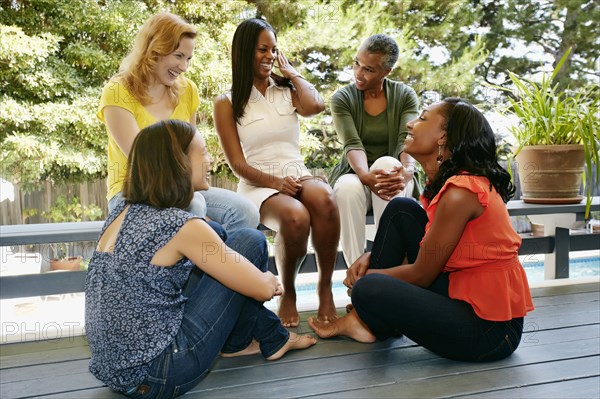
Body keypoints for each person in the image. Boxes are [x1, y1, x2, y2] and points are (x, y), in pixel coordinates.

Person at [85, 119, 316, 398]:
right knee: (251, 241)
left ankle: (265, 337)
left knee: (217, 233)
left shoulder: (121, 212)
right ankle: (247, 342)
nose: (210, 160)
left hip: (116, 371)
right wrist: (267, 278)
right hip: (161, 373)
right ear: (179, 161)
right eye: (203, 151)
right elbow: (264, 288)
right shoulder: (179, 225)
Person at [309, 98, 535, 362]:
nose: (410, 123)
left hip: (489, 331)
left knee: (369, 288)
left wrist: (366, 278)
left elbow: (422, 274)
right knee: (401, 210)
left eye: (423, 118)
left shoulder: (461, 193)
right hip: (460, 293)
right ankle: (364, 321)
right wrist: (372, 258)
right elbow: (430, 247)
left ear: (443, 137)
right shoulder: (448, 184)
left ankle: (366, 317)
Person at [213, 18, 339, 328]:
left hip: (296, 172)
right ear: (244, 52)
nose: (270, 55)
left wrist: (291, 72)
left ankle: (325, 287)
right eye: (262, 50)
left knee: (324, 198)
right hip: (259, 183)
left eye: (274, 49)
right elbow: (237, 165)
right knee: (296, 217)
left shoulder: (287, 90)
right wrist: (275, 183)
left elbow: (316, 106)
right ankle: (289, 292)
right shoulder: (226, 102)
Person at [97, 12, 258, 232]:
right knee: (195, 204)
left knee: (245, 212)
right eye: (178, 56)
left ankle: (214, 261)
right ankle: (200, 257)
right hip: (132, 192)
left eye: (188, 58)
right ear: (155, 51)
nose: (184, 67)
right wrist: (207, 221)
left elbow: (191, 151)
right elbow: (145, 163)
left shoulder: (187, 90)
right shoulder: (117, 92)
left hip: (182, 187)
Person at [329, 34, 420, 268]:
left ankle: (385, 271)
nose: (358, 73)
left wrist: (407, 171)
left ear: (386, 71)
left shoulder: (405, 96)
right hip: (356, 176)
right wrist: (364, 175)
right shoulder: (343, 98)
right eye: (356, 63)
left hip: (395, 177)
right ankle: (355, 277)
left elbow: (406, 140)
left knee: (386, 164)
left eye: (368, 69)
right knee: (347, 188)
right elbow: (352, 142)